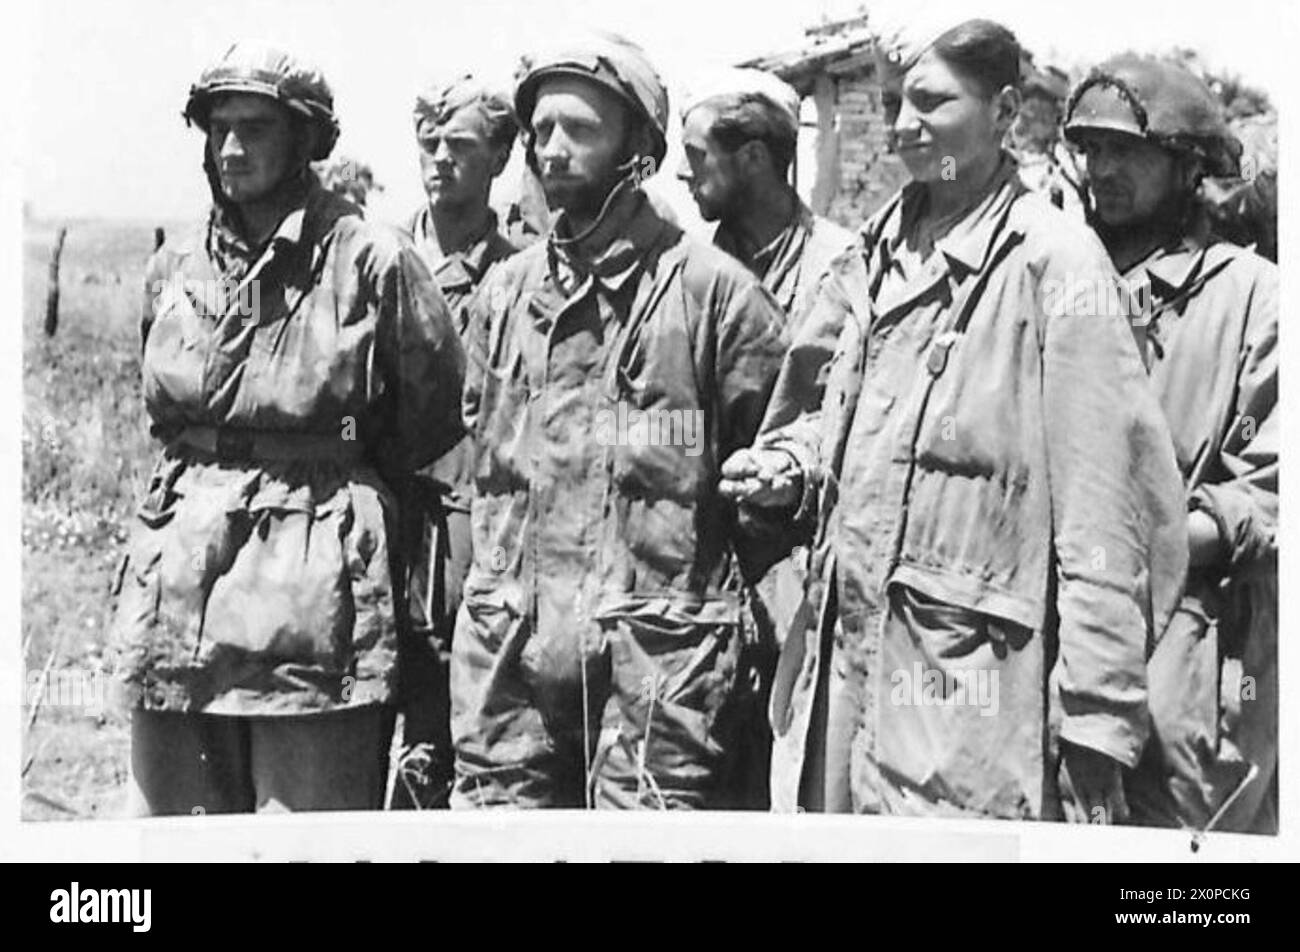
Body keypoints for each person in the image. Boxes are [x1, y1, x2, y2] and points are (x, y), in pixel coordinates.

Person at [720, 19, 1187, 820]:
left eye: (933, 102)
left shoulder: (1056, 265)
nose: (905, 124)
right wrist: (790, 470)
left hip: (967, 706)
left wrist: (1098, 720)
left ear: (1004, 112)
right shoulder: (872, 255)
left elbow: (1106, 510)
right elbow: (829, 416)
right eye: (899, 101)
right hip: (841, 679)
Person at [110, 41, 465, 815]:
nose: (231, 148)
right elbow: (161, 409)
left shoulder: (373, 261)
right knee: (175, 826)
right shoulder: (175, 267)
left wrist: (333, 476)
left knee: (303, 829)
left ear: (305, 139)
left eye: (256, 129)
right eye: (218, 129)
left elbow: (430, 412)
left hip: (314, 567)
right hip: (182, 564)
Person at [449, 32, 789, 809]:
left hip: (657, 681)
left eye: (581, 130)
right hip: (510, 667)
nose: (554, 151)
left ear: (639, 145)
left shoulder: (715, 298)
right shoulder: (502, 298)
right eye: (541, 133)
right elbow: (479, 468)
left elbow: (771, 498)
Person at [1064, 54, 1278, 834]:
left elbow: (1273, 493)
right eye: (1090, 150)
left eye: (1126, 150)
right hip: (1062, 649)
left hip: (1191, 657)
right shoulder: (1060, 278)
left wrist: (1141, 542)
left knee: (1178, 889)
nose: (1102, 170)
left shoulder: (1255, 298)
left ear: (1188, 167)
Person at [678, 68, 857, 807]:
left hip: (798, 579)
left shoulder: (844, 268)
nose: (683, 175)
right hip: (698, 587)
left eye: (698, 157)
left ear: (753, 157)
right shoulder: (684, 273)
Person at [394, 75, 520, 808]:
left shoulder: (520, 272)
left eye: (462, 145)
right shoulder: (375, 258)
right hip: (376, 502)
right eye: (429, 143)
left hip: (469, 510)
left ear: (499, 156)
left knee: (455, 679)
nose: (441, 159)